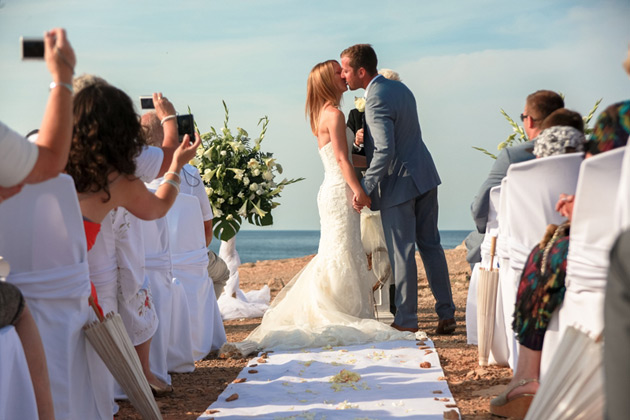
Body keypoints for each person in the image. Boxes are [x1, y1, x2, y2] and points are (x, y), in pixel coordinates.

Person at [220, 59, 412, 357]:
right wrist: (361, 191)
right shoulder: (333, 115)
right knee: (340, 253)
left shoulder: (323, 114)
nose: (344, 76)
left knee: (342, 252)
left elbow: (348, 158)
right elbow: (342, 160)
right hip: (339, 191)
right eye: (338, 73)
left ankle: (342, 307)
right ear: (327, 81)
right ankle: (335, 310)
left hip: (335, 188)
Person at [65, 83, 200, 393]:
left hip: (42, 275)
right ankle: (120, 386)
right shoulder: (117, 175)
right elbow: (157, 207)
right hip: (86, 282)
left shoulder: (49, 159)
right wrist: (176, 166)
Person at [340, 44, 456, 334]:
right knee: (431, 246)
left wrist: (365, 187)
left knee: (402, 252)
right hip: (424, 176)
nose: (343, 76)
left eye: (346, 70)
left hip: (397, 184)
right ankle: (447, 312)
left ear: (361, 71)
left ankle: (406, 320)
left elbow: (384, 151)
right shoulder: (401, 90)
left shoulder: (376, 98)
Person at [467, 90, 565, 266]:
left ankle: (489, 292)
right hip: (567, 238)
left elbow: (479, 208)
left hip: (520, 246)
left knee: (475, 240)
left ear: (530, 120)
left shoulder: (513, 156)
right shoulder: (583, 153)